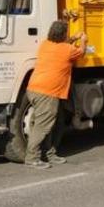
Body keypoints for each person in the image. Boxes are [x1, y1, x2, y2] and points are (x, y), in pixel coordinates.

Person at [23, 20, 87, 169]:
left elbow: (63, 44)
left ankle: (50, 154)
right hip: (48, 92)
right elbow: (82, 52)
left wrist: (73, 38)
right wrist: (83, 40)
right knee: (43, 125)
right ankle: (32, 157)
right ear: (63, 34)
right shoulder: (68, 50)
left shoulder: (45, 44)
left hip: (34, 89)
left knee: (56, 122)